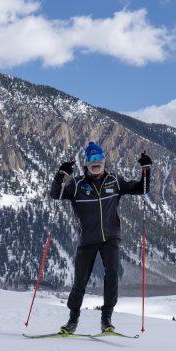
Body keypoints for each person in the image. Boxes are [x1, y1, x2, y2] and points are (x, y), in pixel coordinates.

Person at [50, 141, 152, 334]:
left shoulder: (115, 181)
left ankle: (106, 319)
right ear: (86, 163)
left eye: (98, 158)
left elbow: (142, 188)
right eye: (91, 159)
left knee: (112, 274)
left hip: (111, 238)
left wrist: (146, 168)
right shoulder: (76, 185)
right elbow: (56, 193)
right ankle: (72, 320)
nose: (95, 163)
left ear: (104, 160)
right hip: (87, 239)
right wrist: (62, 174)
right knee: (80, 280)